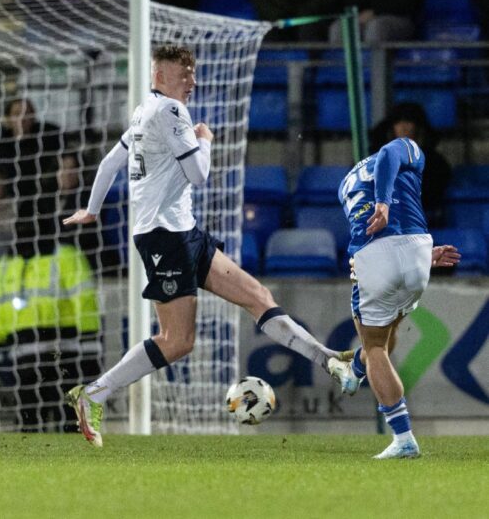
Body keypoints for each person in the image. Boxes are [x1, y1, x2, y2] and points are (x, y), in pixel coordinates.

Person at [62, 45, 346, 448]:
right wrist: (205, 140)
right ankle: (93, 394)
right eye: (184, 74)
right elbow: (198, 174)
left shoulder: (144, 111)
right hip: (165, 237)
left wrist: (91, 211)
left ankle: (329, 359)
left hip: (183, 232)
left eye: (193, 73)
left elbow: (110, 164)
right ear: (160, 77)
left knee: (258, 296)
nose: (192, 82)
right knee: (178, 341)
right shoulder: (170, 112)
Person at [328, 138, 460, 459]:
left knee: (375, 346)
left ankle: (402, 438)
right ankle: (356, 370)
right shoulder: (407, 149)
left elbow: (369, 217)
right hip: (417, 251)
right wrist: (387, 205)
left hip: (377, 254)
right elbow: (391, 152)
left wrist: (381, 208)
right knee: (386, 336)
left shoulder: (346, 183)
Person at [0, 197, 102, 433]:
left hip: (64, 356)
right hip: (26, 359)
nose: (26, 229)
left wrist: (89, 346)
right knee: (29, 423)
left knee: (69, 423)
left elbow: (85, 302)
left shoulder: (65, 256)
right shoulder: (7, 263)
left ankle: (75, 469)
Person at [369, 102, 451, 227]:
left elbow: (434, 192)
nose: (403, 127)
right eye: (398, 122)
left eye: (408, 121)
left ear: (418, 127)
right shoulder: (376, 158)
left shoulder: (434, 161)